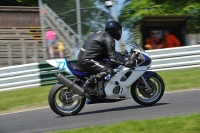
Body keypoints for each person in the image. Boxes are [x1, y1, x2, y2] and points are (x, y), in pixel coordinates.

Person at [77, 20, 133, 95]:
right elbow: (113, 58)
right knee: (108, 70)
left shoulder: (103, 34)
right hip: (87, 59)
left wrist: (121, 54)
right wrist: (125, 62)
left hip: (85, 57)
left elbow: (107, 52)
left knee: (107, 65)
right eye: (118, 30)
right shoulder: (109, 39)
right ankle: (87, 85)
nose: (119, 33)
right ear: (114, 30)